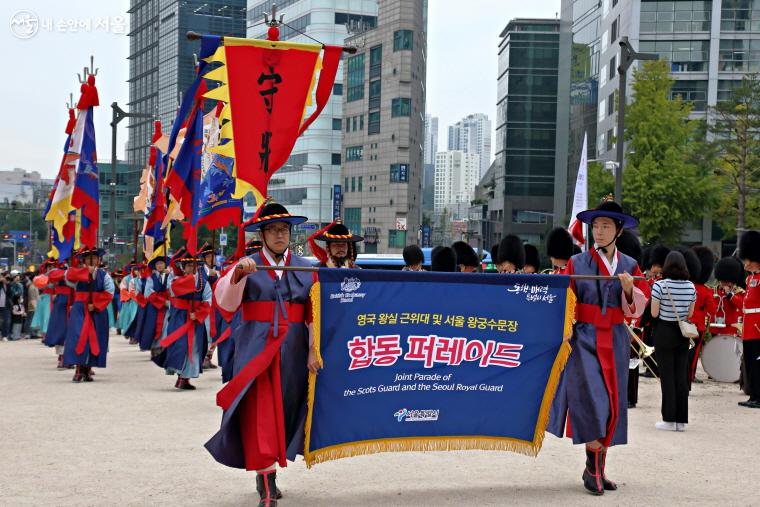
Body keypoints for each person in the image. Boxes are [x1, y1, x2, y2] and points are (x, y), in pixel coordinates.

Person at [206, 202, 316, 507]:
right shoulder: (247, 264)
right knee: (260, 414)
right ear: (263, 234)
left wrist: (312, 351)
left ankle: (266, 472)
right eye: (273, 230)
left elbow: (312, 315)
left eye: (284, 229)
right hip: (257, 349)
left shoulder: (305, 268)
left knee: (287, 409)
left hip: (293, 351)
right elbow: (226, 304)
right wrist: (238, 275)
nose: (280, 235)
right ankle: (267, 483)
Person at [548, 199, 648, 496]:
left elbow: (636, 309)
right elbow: (564, 301)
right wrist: (563, 335)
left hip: (616, 339)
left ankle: (598, 468)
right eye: (596, 226)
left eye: (606, 226)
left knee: (612, 404)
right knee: (592, 400)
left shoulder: (630, 265)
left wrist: (629, 288)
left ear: (618, 230)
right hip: (584, 338)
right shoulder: (577, 264)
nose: (599, 232)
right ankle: (592, 468)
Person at [650, 251, 696, 431]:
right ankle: (681, 421)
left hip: (664, 331)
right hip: (682, 334)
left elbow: (654, 313)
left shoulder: (659, 286)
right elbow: (690, 314)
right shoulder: (691, 287)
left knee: (667, 377)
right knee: (681, 377)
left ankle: (668, 419)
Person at [154, 251, 211, 390]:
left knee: (194, 347)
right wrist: (190, 280)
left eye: (194, 265)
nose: (191, 268)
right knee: (180, 346)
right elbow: (174, 291)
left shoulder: (203, 282)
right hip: (179, 317)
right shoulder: (174, 279)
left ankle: (185, 378)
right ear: (183, 267)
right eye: (188, 265)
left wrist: (198, 313)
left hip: (195, 319)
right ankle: (180, 375)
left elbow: (208, 299)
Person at [62, 247, 116, 382]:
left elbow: (110, 293)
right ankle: (79, 368)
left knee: (96, 338)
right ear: (83, 260)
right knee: (78, 336)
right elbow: (68, 279)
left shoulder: (104, 275)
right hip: (80, 309)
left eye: (94, 258)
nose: (91, 261)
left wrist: (96, 304)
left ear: (99, 260)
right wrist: (84, 273)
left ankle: (88, 368)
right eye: (88, 259)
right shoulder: (76, 273)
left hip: (97, 311)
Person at [615, 230, 650, 409]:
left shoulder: (636, 273)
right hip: (615, 323)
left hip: (632, 325)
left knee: (631, 363)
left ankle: (630, 396)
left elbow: (644, 297)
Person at [734, 230, 760, 408]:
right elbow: (746, 302)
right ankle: (753, 395)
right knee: (750, 363)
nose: (745, 263)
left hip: (758, 327)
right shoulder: (752, 279)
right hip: (749, 328)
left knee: (758, 365)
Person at [689, 246, 716, 387]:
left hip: (684, 322)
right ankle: (691, 374)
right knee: (694, 352)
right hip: (698, 324)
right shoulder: (706, 290)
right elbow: (712, 310)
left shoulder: (687, 286)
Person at [138, 255, 171, 354]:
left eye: (161, 263)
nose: (160, 265)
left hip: (168, 305)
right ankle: (155, 347)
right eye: (157, 264)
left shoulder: (171, 275)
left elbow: (173, 288)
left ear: (165, 264)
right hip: (154, 305)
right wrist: (162, 301)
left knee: (167, 325)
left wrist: (168, 301)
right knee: (152, 326)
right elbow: (148, 293)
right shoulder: (151, 278)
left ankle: (165, 346)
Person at [43, 261, 72, 368]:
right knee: (60, 330)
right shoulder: (55, 273)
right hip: (62, 302)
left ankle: (66, 357)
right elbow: (48, 280)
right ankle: (62, 357)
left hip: (71, 302)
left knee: (70, 330)